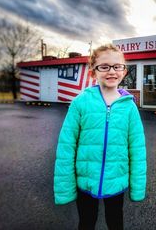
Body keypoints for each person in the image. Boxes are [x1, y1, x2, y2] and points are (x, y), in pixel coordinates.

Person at [53, 44, 147, 230]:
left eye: (117, 66)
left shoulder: (129, 107)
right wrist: (65, 188)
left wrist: (137, 188)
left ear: (124, 71)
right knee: (86, 222)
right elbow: (66, 146)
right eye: (104, 66)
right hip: (86, 180)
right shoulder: (80, 102)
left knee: (115, 222)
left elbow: (137, 149)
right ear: (93, 71)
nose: (111, 71)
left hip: (116, 179)